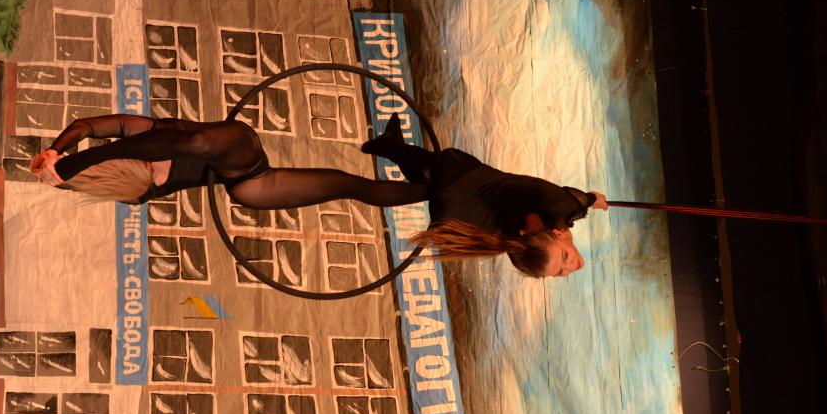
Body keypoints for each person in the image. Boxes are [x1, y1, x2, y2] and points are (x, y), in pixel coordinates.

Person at [30, 114, 607, 278]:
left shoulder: (146, 142)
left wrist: (63, 153)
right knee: (208, 140)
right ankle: (398, 153)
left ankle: (393, 150)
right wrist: (69, 159)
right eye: (566, 262)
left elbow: (95, 126)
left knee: (356, 186)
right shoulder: (146, 172)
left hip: (252, 175)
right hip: (250, 180)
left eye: (563, 261)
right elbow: (110, 134)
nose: (573, 263)